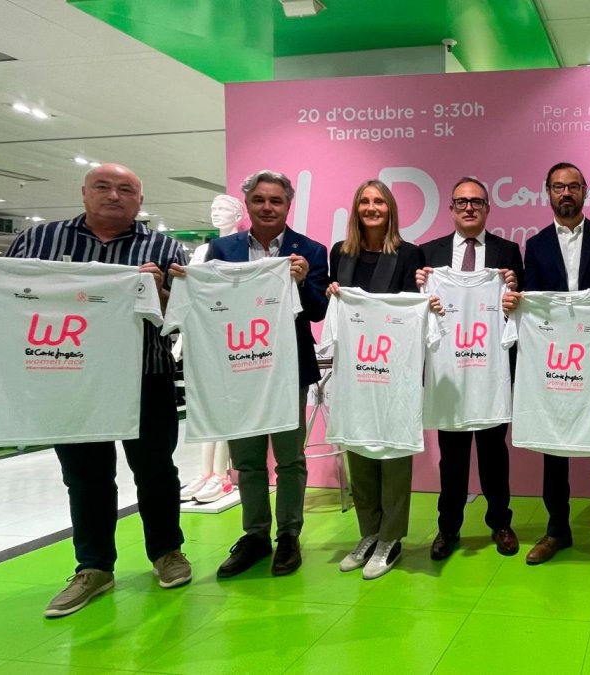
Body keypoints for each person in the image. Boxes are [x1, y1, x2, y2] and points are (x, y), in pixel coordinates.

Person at [6, 163, 191, 617]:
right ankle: (93, 567)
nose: (114, 195)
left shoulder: (163, 247)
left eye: (126, 189)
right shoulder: (38, 242)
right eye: (103, 187)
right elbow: (11, 298)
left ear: (139, 200)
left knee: (156, 471)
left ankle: (167, 552)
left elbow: (182, 316)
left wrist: (162, 293)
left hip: (145, 376)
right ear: (84, 193)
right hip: (70, 377)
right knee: (85, 476)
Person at [182, 169, 329, 578]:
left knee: (290, 458)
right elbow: (206, 303)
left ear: (288, 205)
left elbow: (318, 310)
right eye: (260, 200)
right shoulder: (220, 250)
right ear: (247, 204)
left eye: (276, 200)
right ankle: (255, 536)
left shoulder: (311, 251)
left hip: (287, 370)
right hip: (238, 369)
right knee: (246, 460)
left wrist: (301, 283)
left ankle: (289, 536)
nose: (267, 207)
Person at [506, 161, 590, 576]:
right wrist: (515, 302)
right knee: (553, 447)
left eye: (573, 186)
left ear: (585, 191)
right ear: (547, 193)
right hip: (553, 363)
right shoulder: (537, 244)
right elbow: (531, 297)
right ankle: (557, 529)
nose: (566, 193)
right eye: (558, 187)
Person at [416, 177, 524, 561]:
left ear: (487, 208)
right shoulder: (427, 253)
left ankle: (501, 523)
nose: (469, 208)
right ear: (451, 208)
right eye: (461, 201)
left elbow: (517, 306)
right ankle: (449, 528)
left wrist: (513, 288)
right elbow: (418, 311)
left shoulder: (507, 251)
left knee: (495, 452)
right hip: (449, 372)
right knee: (453, 455)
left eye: (477, 202)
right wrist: (420, 289)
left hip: (489, 370)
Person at [326, 179, 424, 579]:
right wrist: (332, 292)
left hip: (393, 369)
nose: (371, 207)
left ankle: (391, 537)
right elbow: (326, 308)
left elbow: (409, 311)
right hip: (354, 369)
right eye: (364, 201)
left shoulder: (408, 253)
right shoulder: (341, 253)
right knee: (359, 446)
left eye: (379, 201)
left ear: (390, 209)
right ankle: (368, 533)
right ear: (356, 208)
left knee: (394, 451)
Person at [177, 194, 244, 504]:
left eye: (224, 208)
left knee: (227, 407)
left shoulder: (244, 250)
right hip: (203, 332)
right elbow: (189, 291)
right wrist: (181, 337)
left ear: (238, 214)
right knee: (205, 406)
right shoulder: (203, 250)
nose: (217, 213)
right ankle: (204, 472)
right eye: (214, 208)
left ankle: (221, 475)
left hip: (231, 333)